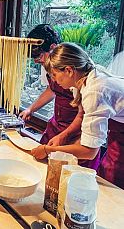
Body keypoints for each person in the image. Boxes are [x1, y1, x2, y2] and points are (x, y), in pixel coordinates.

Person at [31, 43, 124, 188]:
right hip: (119, 126)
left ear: (68, 70)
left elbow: (89, 151)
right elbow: (81, 114)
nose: (54, 81)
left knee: (113, 180)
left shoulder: (95, 91)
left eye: (55, 75)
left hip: (121, 130)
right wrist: (63, 135)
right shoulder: (80, 81)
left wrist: (47, 150)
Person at [19, 24, 99, 170]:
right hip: (58, 124)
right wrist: (31, 109)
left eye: (39, 55)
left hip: (79, 130)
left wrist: (64, 136)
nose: (37, 60)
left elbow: (89, 147)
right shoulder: (54, 68)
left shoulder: (84, 80)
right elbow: (52, 90)